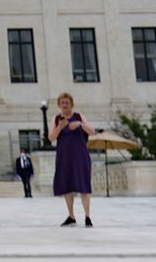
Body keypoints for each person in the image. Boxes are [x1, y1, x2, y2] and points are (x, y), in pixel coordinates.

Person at [48, 91, 95, 226]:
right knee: (66, 186)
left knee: (84, 186)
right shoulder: (56, 119)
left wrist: (80, 124)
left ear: (71, 104)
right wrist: (60, 127)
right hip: (64, 157)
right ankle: (71, 216)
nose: (65, 105)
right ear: (59, 105)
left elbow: (92, 131)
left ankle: (87, 216)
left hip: (80, 156)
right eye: (62, 103)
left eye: (67, 102)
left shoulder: (79, 116)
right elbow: (51, 138)